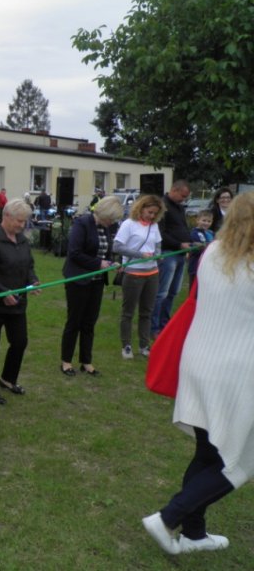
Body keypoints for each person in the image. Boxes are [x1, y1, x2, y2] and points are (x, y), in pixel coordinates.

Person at [142, 191, 254, 555]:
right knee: (238, 458)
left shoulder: (211, 254)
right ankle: (168, 517)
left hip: (200, 361)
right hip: (236, 372)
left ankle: (193, 532)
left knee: (209, 452)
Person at [0, 199, 39, 402]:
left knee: (20, 342)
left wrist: (33, 280)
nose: (22, 226)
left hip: (18, 303)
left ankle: (7, 379)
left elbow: (29, 264)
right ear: (6, 217)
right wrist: (3, 293)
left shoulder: (21, 239)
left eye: (24, 222)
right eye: (19, 221)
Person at [59, 196, 124, 377]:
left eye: (114, 220)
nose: (112, 222)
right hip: (78, 279)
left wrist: (111, 263)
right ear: (103, 212)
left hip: (96, 281)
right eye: (110, 218)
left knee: (89, 322)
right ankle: (66, 361)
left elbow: (104, 251)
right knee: (75, 321)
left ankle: (86, 362)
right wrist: (98, 264)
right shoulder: (82, 224)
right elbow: (74, 253)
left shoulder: (107, 227)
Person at [113, 194, 164, 360]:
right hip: (133, 273)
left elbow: (157, 246)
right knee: (128, 312)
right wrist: (139, 255)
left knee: (146, 312)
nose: (152, 216)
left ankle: (144, 345)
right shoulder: (129, 224)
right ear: (141, 209)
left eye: (155, 213)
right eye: (149, 212)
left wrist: (157, 255)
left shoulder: (154, 226)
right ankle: (126, 346)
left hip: (152, 274)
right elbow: (117, 246)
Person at [151, 180, 191, 337]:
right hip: (169, 254)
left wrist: (188, 241)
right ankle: (154, 328)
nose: (184, 199)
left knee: (174, 292)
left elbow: (182, 227)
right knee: (162, 293)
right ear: (174, 190)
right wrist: (179, 244)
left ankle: (165, 324)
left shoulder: (179, 207)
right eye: (183, 196)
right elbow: (160, 233)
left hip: (181, 254)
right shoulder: (162, 205)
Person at [187, 210, 214, 290]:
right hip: (195, 265)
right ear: (198, 220)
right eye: (204, 220)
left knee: (204, 288)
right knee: (194, 288)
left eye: (209, 221)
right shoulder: (194, 233)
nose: (206, 223)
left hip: (208, 264)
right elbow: (197, 248)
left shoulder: (211, 233)